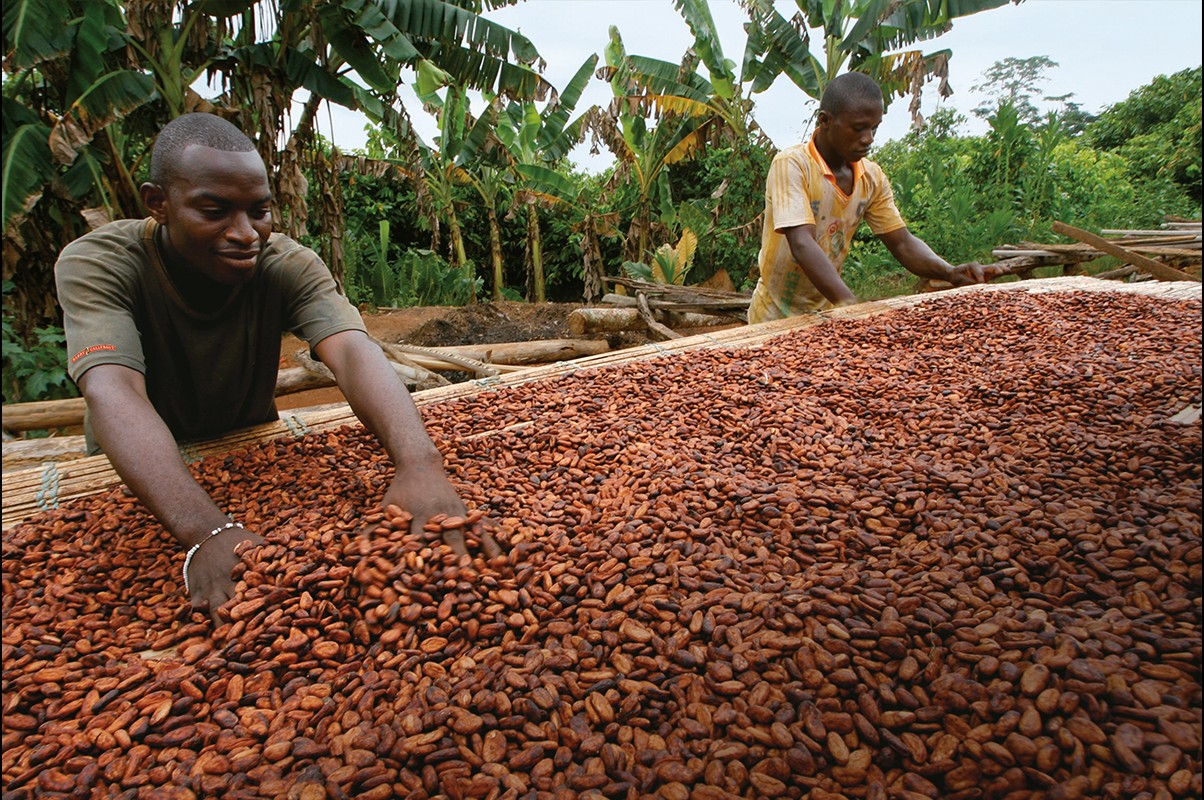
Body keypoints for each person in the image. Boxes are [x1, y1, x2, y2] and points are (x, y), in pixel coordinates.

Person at [55, 112, 499, 622]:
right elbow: (113, 390)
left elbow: (353, 351)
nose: (245, 233)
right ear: (159, 203)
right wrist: (207, 531)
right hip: (140, 475)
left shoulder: (283, 262)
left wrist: (419, 462)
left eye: (259, 211)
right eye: (215, 210)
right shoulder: (101, 263)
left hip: (250, 443)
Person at [747, 72, 1004, 325]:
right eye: (859, 128)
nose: (868, 139)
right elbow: (802, 242)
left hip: (827, 312)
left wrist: (949, 271)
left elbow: (902, 242)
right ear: (825, 120)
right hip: (773, 315)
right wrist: (852, 306)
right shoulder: (793, 165)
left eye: (874, 128)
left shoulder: (871, 177)